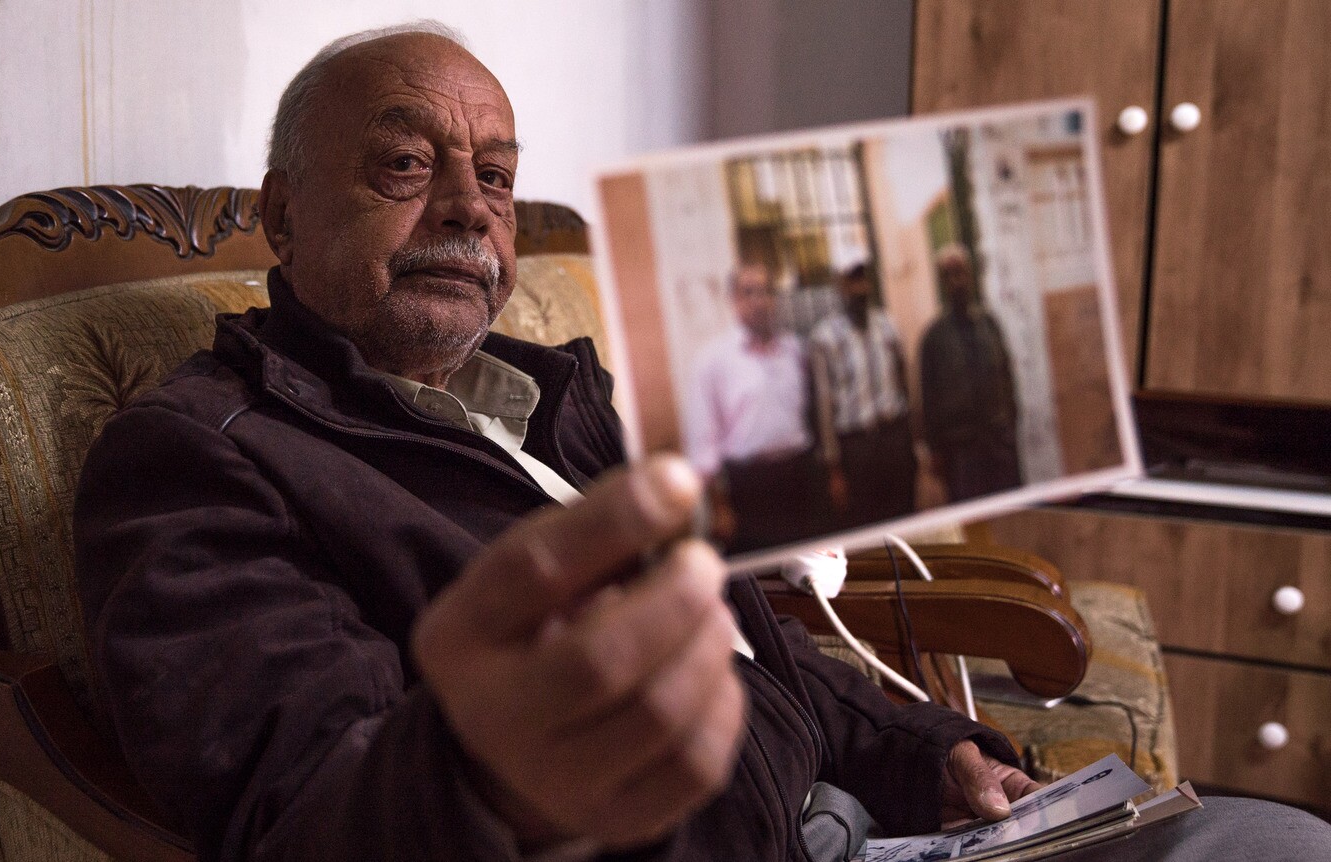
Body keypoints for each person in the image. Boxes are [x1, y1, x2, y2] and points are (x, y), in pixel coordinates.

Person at [72, 23, 1331, 862]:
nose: (467, 208)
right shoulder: (198, 458)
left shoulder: (558, 401)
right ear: (282, 213)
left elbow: (752, 644)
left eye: (496, 177)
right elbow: (301, 811)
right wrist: (486, 777)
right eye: (405, 163)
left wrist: (931, 754)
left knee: (1278, 840)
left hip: (854, 830)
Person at [682, 263, 825, 552]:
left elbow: (812, 414)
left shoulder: (794, 350)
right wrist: (719, 507)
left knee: (811, 564)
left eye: (766, 291)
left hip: (800, 476)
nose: (759, 301)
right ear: (734, 300)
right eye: (749, 292)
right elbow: (703, 442)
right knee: (763, 571)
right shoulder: (713, 361)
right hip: (750, 487)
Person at [808, 261, 917, 527]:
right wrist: (834, 469)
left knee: (905, 519)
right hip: (856, 448)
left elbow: (905, 382)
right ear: (839, 287)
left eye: (862, 280)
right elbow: (824, 404)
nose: (858, 289)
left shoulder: (888, 325)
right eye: (851, 282)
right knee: (867, 525)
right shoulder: (824, 337)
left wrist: (916, 442)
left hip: (893, 439)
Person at [918, 245, 1024, 502]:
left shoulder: (989, 324)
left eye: (961, 273)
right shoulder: (933, 338)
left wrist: (1009, 426)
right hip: (961, 452)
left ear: (970, 275)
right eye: (949, 276)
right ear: (942, 283)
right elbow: (928, 398)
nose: (957, 282)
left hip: (999, 443)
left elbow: (1007, 377)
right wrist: (935, 451)